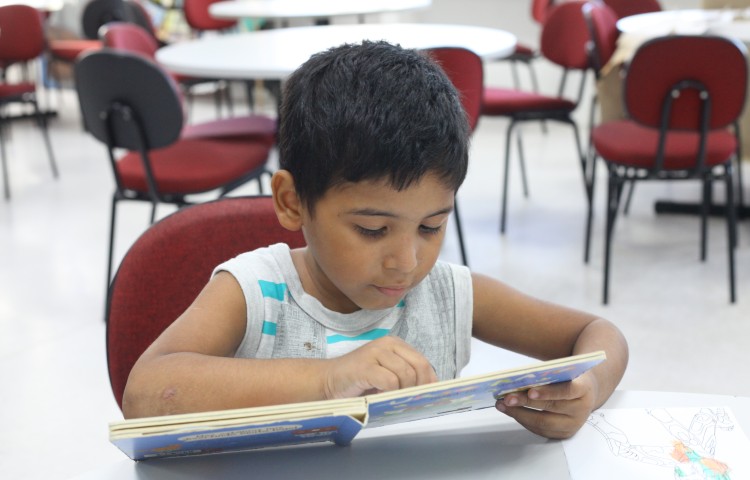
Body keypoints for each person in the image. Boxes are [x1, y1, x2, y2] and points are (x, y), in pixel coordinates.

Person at [123, 40, 628, 440]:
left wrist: (586, 390)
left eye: (431, 226)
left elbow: (600, 335)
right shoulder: (256, 292)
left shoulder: (446, 295)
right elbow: (144, 392)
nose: (406, 263)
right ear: (292, 201)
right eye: (372, 229)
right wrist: (326, 380)